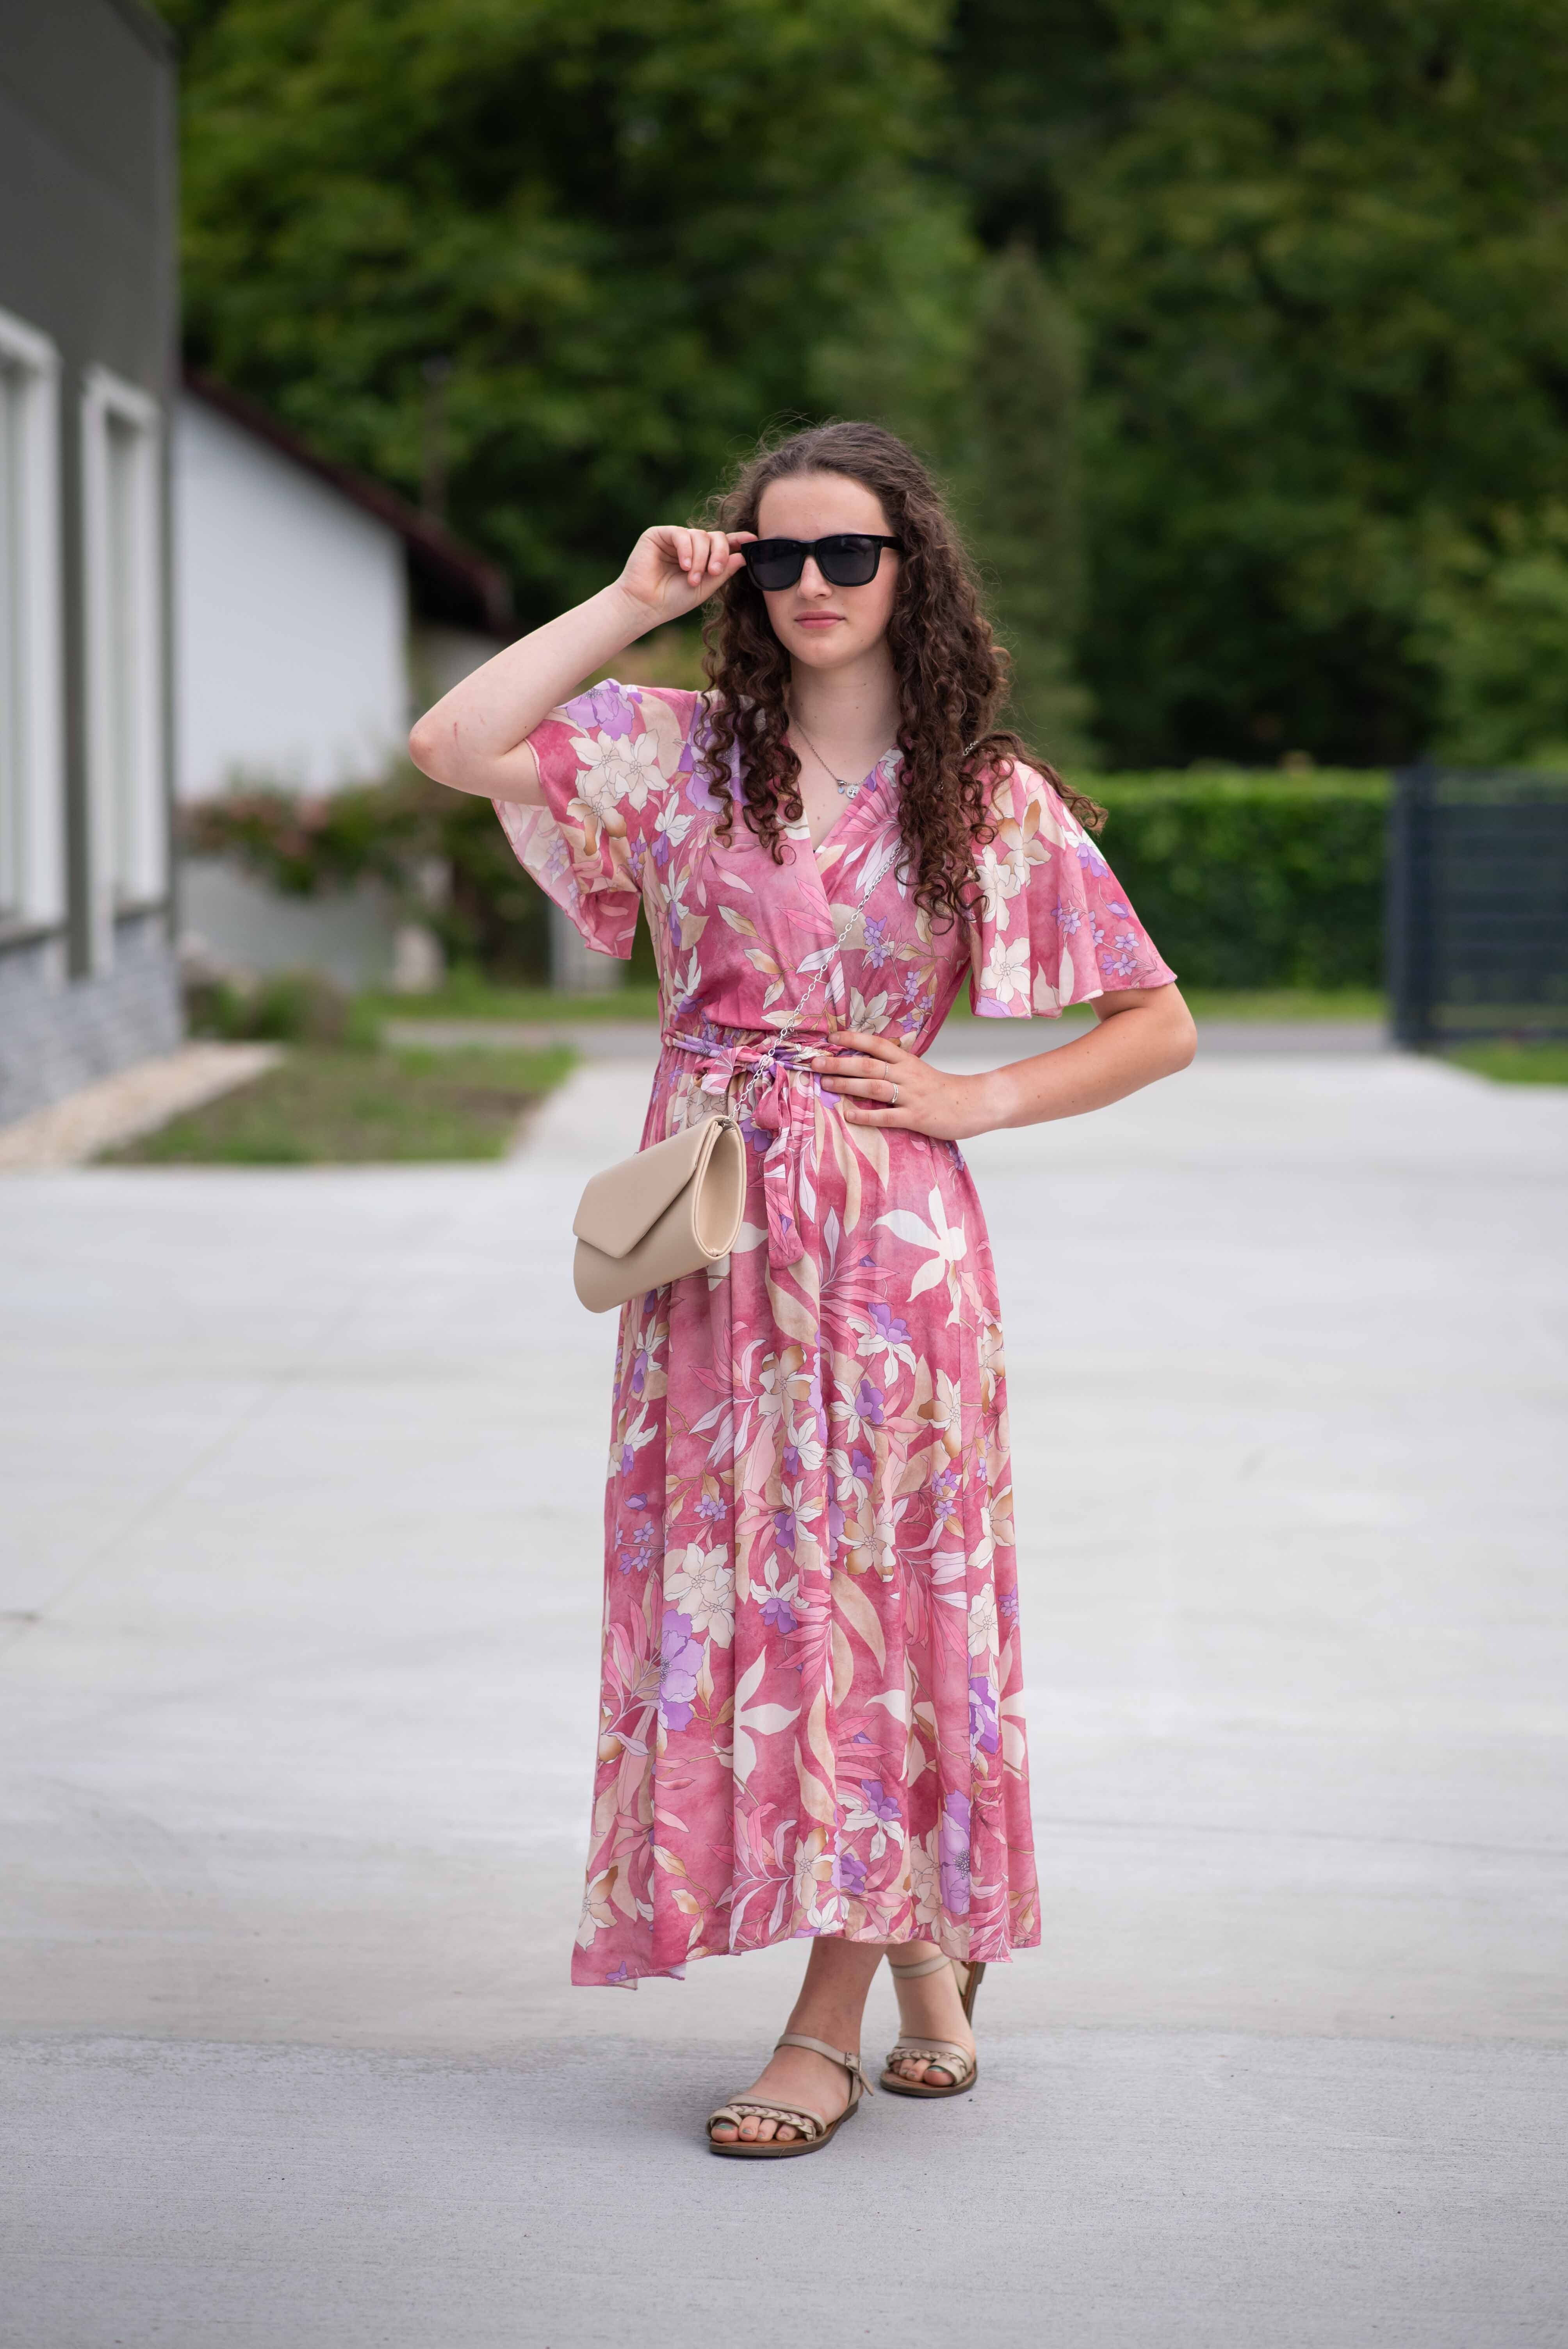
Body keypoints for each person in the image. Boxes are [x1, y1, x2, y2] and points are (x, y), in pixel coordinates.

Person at [408, 420, 1194, 2158]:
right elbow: (452, 743)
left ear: (913, 571)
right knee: (751, 1607)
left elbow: (1156, 1022)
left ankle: (823, 2027)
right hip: (710, 1251)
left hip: (894, 1258)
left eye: (849, 553)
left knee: (877, 1614)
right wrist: (629, 598)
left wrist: (980, 1098)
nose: (814, 583)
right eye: (778, 556)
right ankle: (922, 1951)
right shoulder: (678, 753)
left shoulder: (977, 794)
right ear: (742, 574)